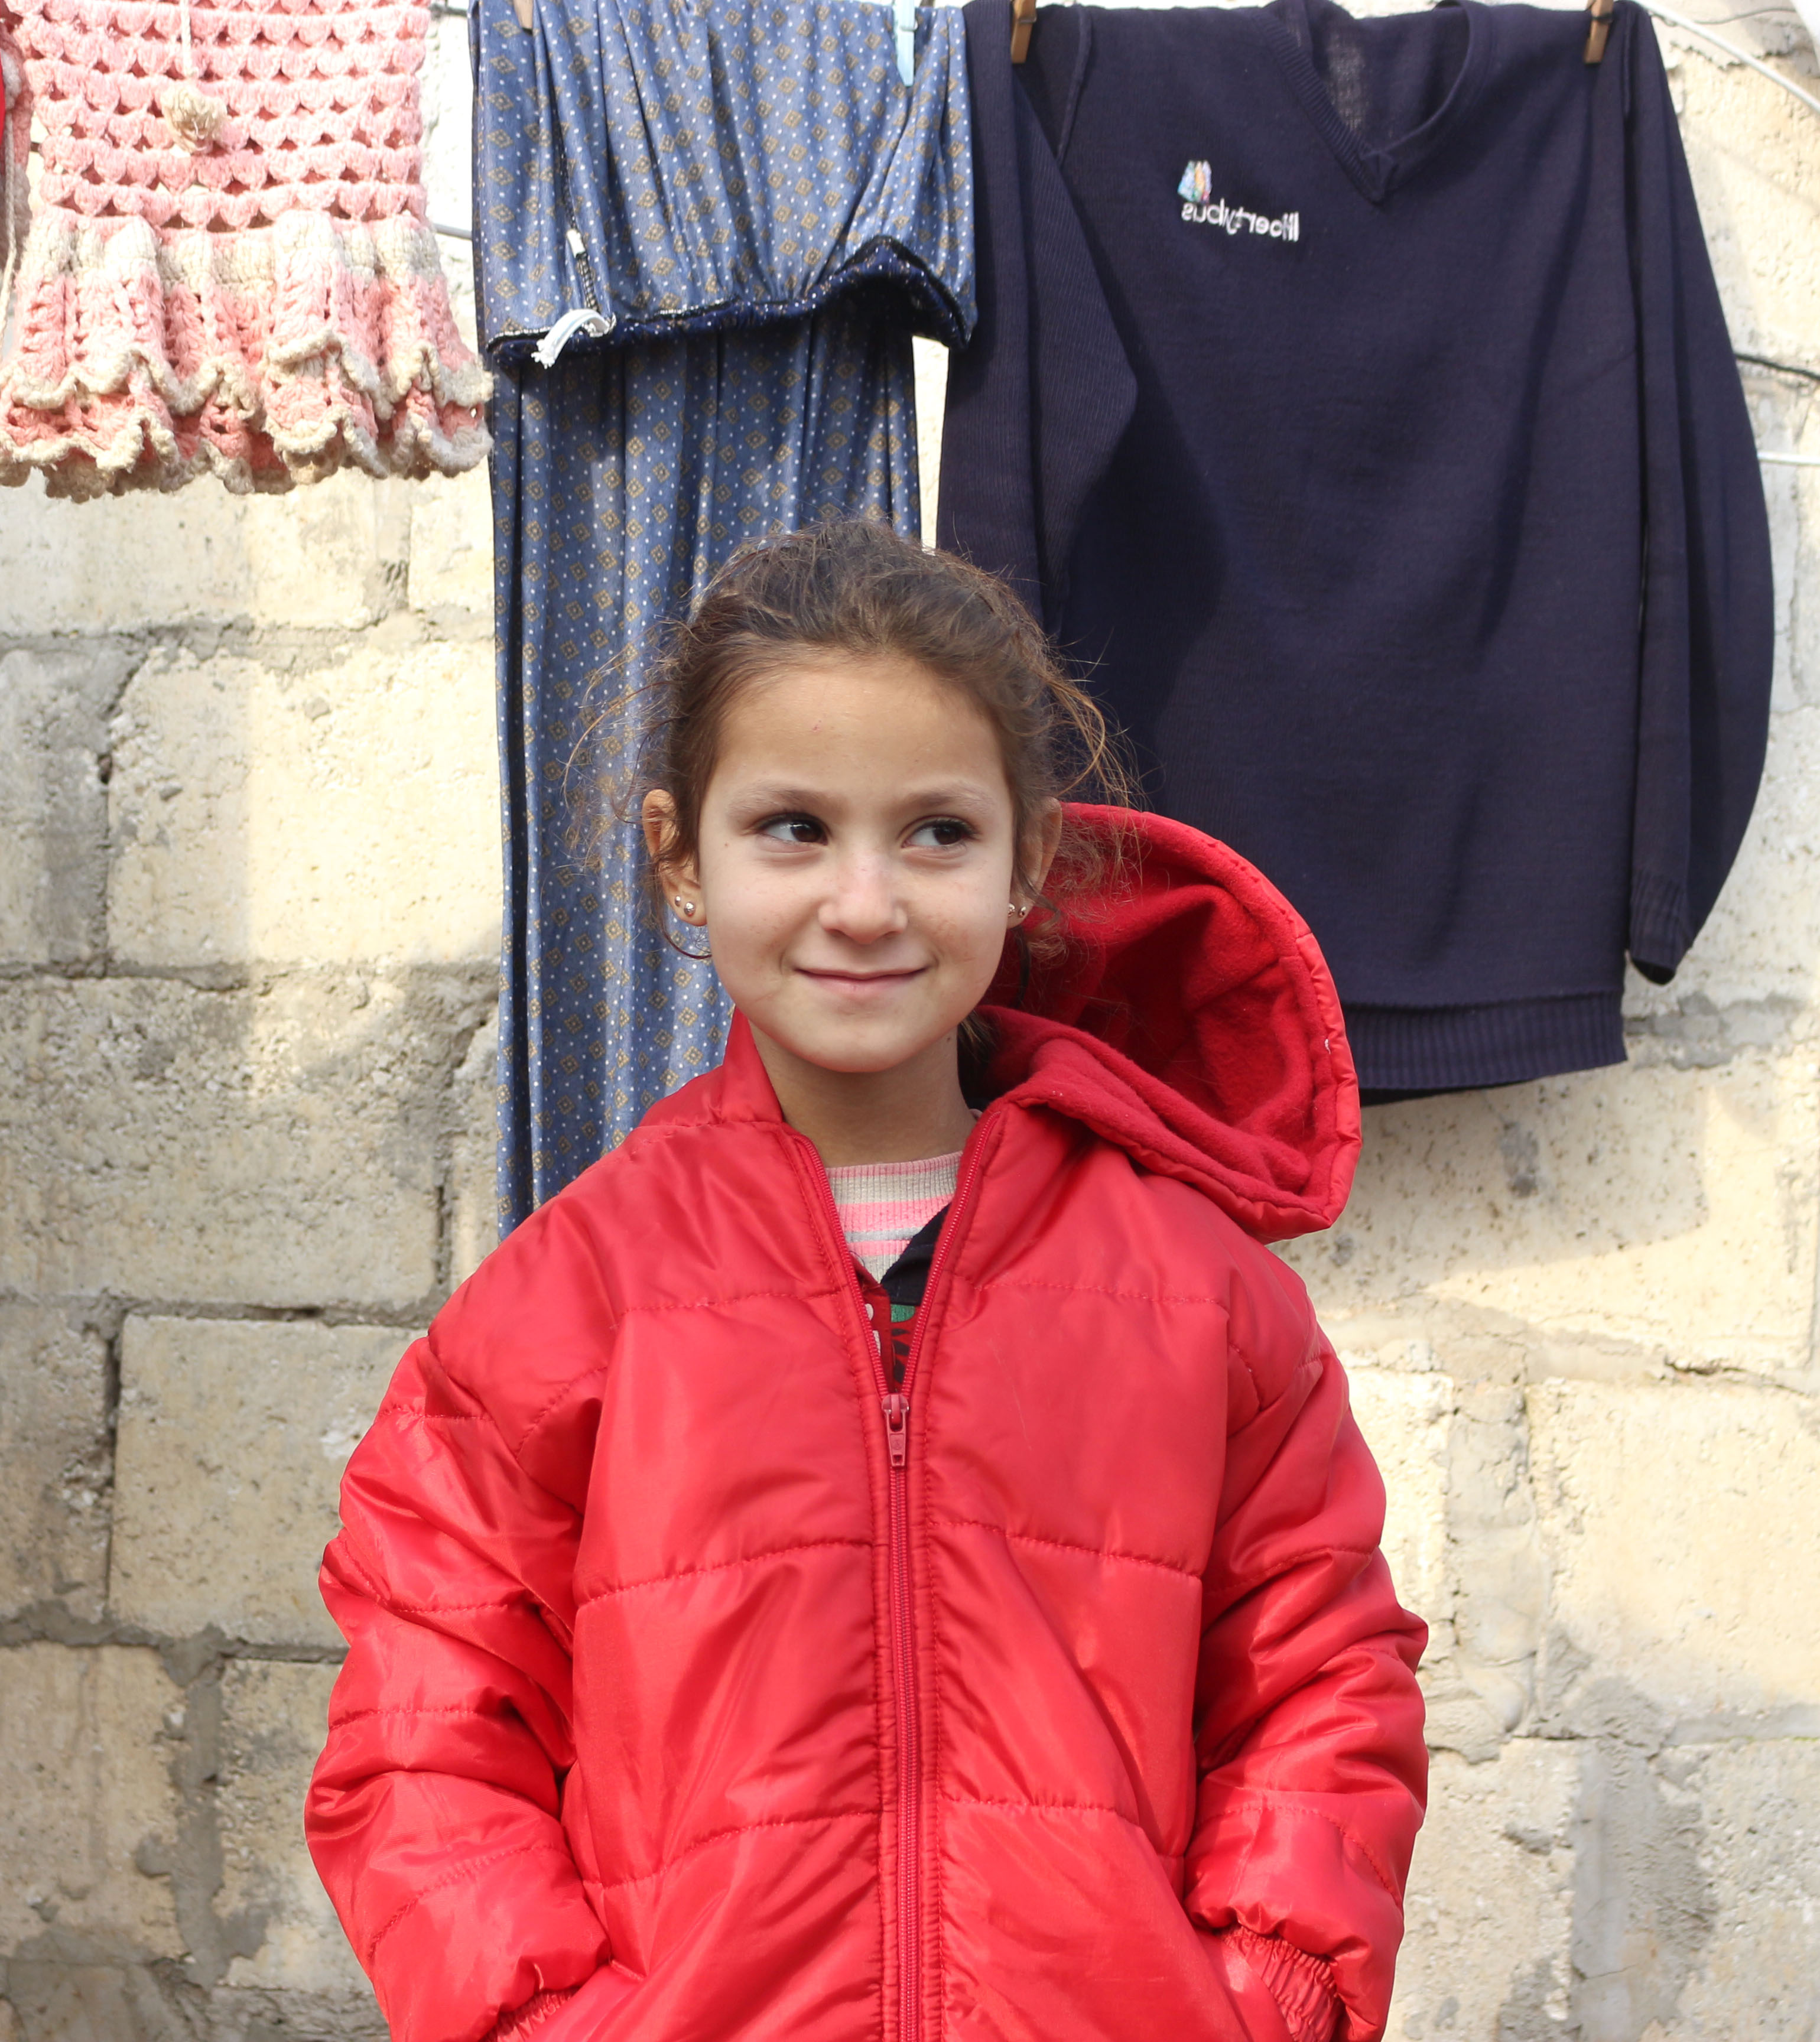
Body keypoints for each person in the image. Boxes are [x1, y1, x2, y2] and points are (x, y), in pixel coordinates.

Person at [306, 521, 1428, 2042]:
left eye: (937, 833)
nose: (865, 901)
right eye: (791, 827)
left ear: (1029, 858)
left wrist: (1267, 1994)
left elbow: (1324, 1682)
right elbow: (425, 1736)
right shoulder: (560, 1306)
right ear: (676, 858)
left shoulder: (1200, 1293)